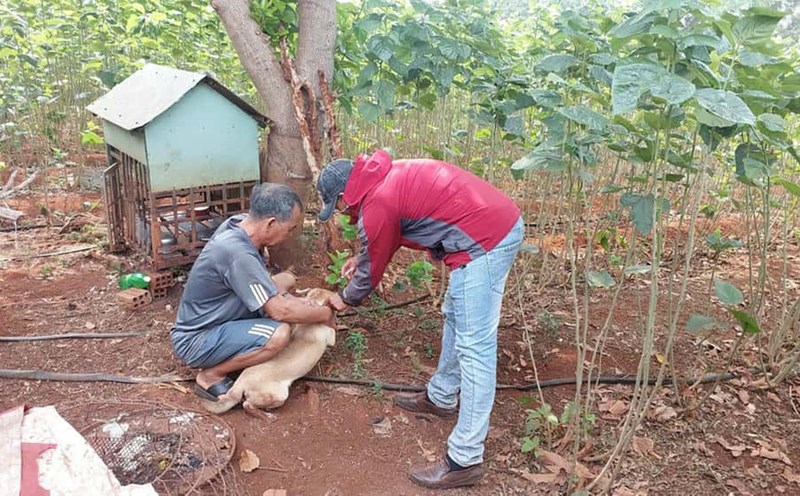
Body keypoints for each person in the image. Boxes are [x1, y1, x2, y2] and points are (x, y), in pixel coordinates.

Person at [317, 150, 523, 489]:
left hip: (487, 239)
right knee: (455, 316)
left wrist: (341, 299)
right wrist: (362, 256)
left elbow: (370, 273)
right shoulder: (381, 179)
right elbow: (389, 235)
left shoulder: (377, 202)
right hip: (486, 228)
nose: (340, 213)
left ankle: (465, 459)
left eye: (336, 206)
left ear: (343, 196)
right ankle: (441, 396)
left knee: (475, 347)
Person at [171, 183, 335, 402]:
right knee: (278, 335)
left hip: (221, 315)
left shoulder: (241, 224)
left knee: (285, 280)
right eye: (290, 228)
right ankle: (211, 375)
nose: (290, 234)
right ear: (270, 223)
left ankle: (241, 349)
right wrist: (325, 314)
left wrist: (298, 304)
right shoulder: (238, 253)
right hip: (198, 338)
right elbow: (281, 311)